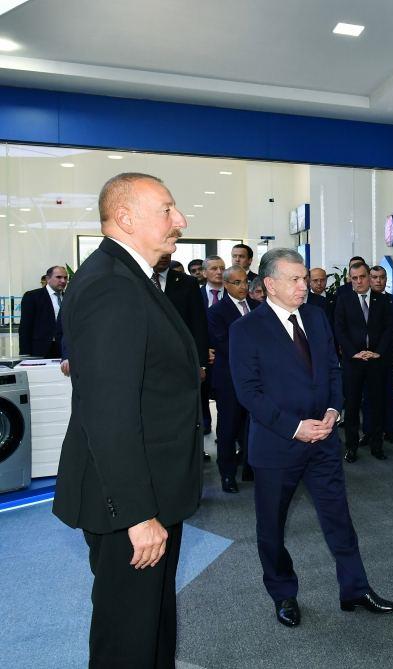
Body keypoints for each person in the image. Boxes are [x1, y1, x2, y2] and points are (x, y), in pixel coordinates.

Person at [53, 172, 203, 666]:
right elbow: (109, 412)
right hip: (129, 504)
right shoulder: (112, 285)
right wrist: (138, 515)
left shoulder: (127, 276)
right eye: (167, 210)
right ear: (125, 217)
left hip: (148, 490)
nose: (180, 220)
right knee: (128, 639)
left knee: (151, 627)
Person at [229, 248, 393, 628]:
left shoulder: (317, 317)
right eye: (295, 279)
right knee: (272, 528)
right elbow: (249, 393)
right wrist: (295, 427)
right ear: (270, 284)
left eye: (304, 278)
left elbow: (333, 371)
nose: (303, 285)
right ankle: (283, 594)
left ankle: (355, 588)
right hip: (277, 446)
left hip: (323, 441)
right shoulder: (246, 330)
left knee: (339, 519)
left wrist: (334, 410)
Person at [334, 262, 393, 462]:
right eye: (354, 278)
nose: (359, 281)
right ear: (350, 280)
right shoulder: (344, 300)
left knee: (377, 405)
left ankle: (377, 446)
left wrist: (378, 352)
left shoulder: (382, 300)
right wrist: (354, 353)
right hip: (353, 362)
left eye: (362, 276)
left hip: (376, 361)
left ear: (369, 276)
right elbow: (339, 330)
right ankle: (351, 448)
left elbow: (389, 329)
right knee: (351, 407)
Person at [207, 265, 258, 492]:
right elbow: (225, 344)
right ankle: (227, 474)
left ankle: (250, 466)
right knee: (228, 427)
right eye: (237, 282)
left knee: (252, 424)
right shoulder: (217, 312)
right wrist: (256, 355)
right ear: (226, 285)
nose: (243, 286)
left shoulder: (257, 307)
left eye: (245, 281)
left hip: (256, 379)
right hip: (229, 379)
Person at [366, 265, 393, 445]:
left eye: (382, 277)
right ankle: (368, 432)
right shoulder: (363, 300)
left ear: (386, 279)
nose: (378, 281)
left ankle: (389, 431)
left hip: (389, 356)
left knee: (388, 396)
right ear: (369, 279)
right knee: (369, 397)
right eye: (375, 277)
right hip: (367, 357)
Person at [199, 255, 226, 435]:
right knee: (202, 394)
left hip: (225, 354)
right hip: (203, 355)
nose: (219, 272)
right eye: (214, 268)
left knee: (225, 397)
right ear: (204, 273)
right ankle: (205, 423)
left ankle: (224, 432)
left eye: (222, 268)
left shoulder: (233, 294)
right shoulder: (195, 294)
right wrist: (202, 350)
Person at [18, 265, 67, 357]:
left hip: (63, 351)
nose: (63, 281)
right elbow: (25, 327)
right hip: (40, 350)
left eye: (65, 278)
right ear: (48, 279)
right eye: (59, 277)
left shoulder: (68, 298)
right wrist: (25, 354)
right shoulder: (32, 296)